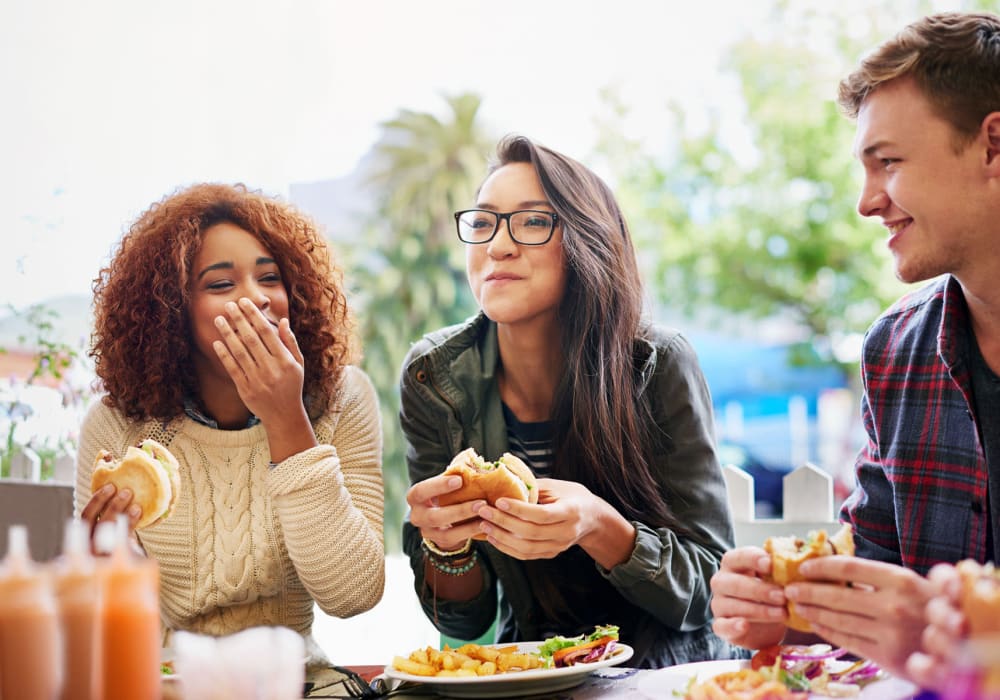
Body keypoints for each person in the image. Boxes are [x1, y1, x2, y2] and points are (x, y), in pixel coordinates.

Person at [709, 9, 1000, 681]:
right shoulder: (895, 351)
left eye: (888, 162)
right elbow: (875, 591)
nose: (867, 203)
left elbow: (918, 627)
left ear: (992, 146)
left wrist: (954, 636)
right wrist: (787, 613)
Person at [399, 134, 740, 668]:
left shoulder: (658, 362)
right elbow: (463, 621)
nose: (498, 246)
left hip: (668, 674)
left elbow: (709, 592)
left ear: (587, 243)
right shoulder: (434, 378)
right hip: (530, 671)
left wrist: (600, 526)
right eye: (484, 222)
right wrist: (445, 545)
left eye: (533, 222)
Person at [75, 183, 385, 671]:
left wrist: (286, 418)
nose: (255, 299)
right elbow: (109, 620)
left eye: (270, 278)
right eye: (221, 285)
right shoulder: (118, 425)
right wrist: (109, 567)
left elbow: (353, 594)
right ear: (171, 310)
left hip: (297, 680)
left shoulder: (342, 400)